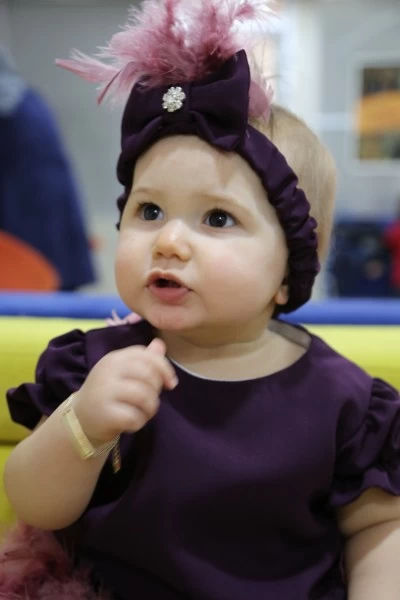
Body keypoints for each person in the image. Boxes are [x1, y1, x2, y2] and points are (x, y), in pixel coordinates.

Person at [2, 1, 400, 599]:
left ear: (288, 271)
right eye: (149, 210)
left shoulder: (344, 400)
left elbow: (378, 528)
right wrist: (84, 424)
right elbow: (34, 505)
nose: (168, 240)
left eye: (216, 218)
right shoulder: (94, 365)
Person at [0, 46, 96, 290]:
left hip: (32, 222)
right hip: (39, 219)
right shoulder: (26, 102)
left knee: (43, 289)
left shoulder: (13, 110)